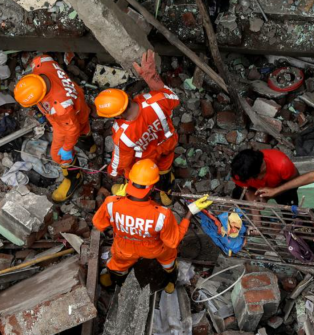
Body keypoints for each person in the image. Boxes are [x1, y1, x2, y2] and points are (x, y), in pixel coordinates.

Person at [92, 159, 212, 293]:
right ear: (153, 187)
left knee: (118, 265)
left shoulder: (110, 203)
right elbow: (173, 241)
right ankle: (170, 282)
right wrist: (190, 212)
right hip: (154, 249)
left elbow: (98, 224)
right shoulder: (162, 215)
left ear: (130, 181)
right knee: (168, 259)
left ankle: (114, 282)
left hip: (124, 248)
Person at [93, 50, 179, 205]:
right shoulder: (156, 101)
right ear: (125, 95)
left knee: (133, 172)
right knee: (165, 165)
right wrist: (152, 78)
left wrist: (113, 172)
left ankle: (143, 190)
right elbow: (173, 98)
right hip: (168, 144)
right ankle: (166, 190)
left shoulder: (123, 134)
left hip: (146, 160)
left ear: (116, 115)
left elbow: (122, 160)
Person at [13, 54, 91, 203]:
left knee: (58, 155)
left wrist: (67, 148)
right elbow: (40, 59)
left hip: (68, 118)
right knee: (84, 128)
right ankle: (89, 144)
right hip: (79, 103)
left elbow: (71, 129)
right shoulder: (42, 62)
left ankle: (74, 179)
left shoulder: (60, 108)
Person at [230, 149, 299, 205]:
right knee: (238, 196)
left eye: (256, 177)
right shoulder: (239, 172)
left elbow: (296, 180)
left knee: (288, 202)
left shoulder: (281, 164)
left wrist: (277, 190)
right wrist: (256, 213)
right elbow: (247, 189)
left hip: (280, 185)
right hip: (256, 190)